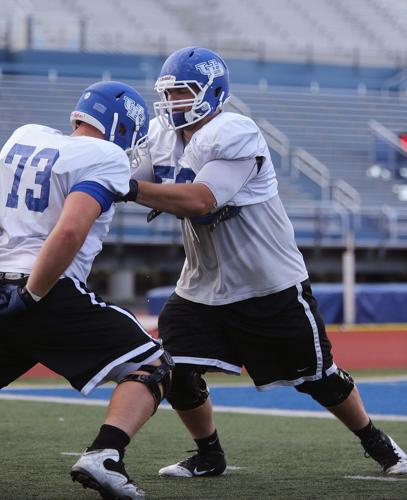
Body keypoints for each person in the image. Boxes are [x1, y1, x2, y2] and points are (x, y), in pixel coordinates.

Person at [115, 47, 407, 478]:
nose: (175, 103)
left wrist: (134, 190)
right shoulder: (161, 134)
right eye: (170, 94)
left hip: (267, 283)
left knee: (318, 378)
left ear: (212, 92)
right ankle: (209, 454)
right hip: (201, 284)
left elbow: (201, 199)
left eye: (185, 93)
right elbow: (133, 180)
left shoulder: (235, 131)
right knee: (174, 369)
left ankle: (380, 444)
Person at [0, 80, 174, 499]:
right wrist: (33, 294)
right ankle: (105, 455)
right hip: (44, 288)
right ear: (120, 126)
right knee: (153, 363)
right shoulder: (106, 154)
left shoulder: (23, 136)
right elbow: (71, 230)